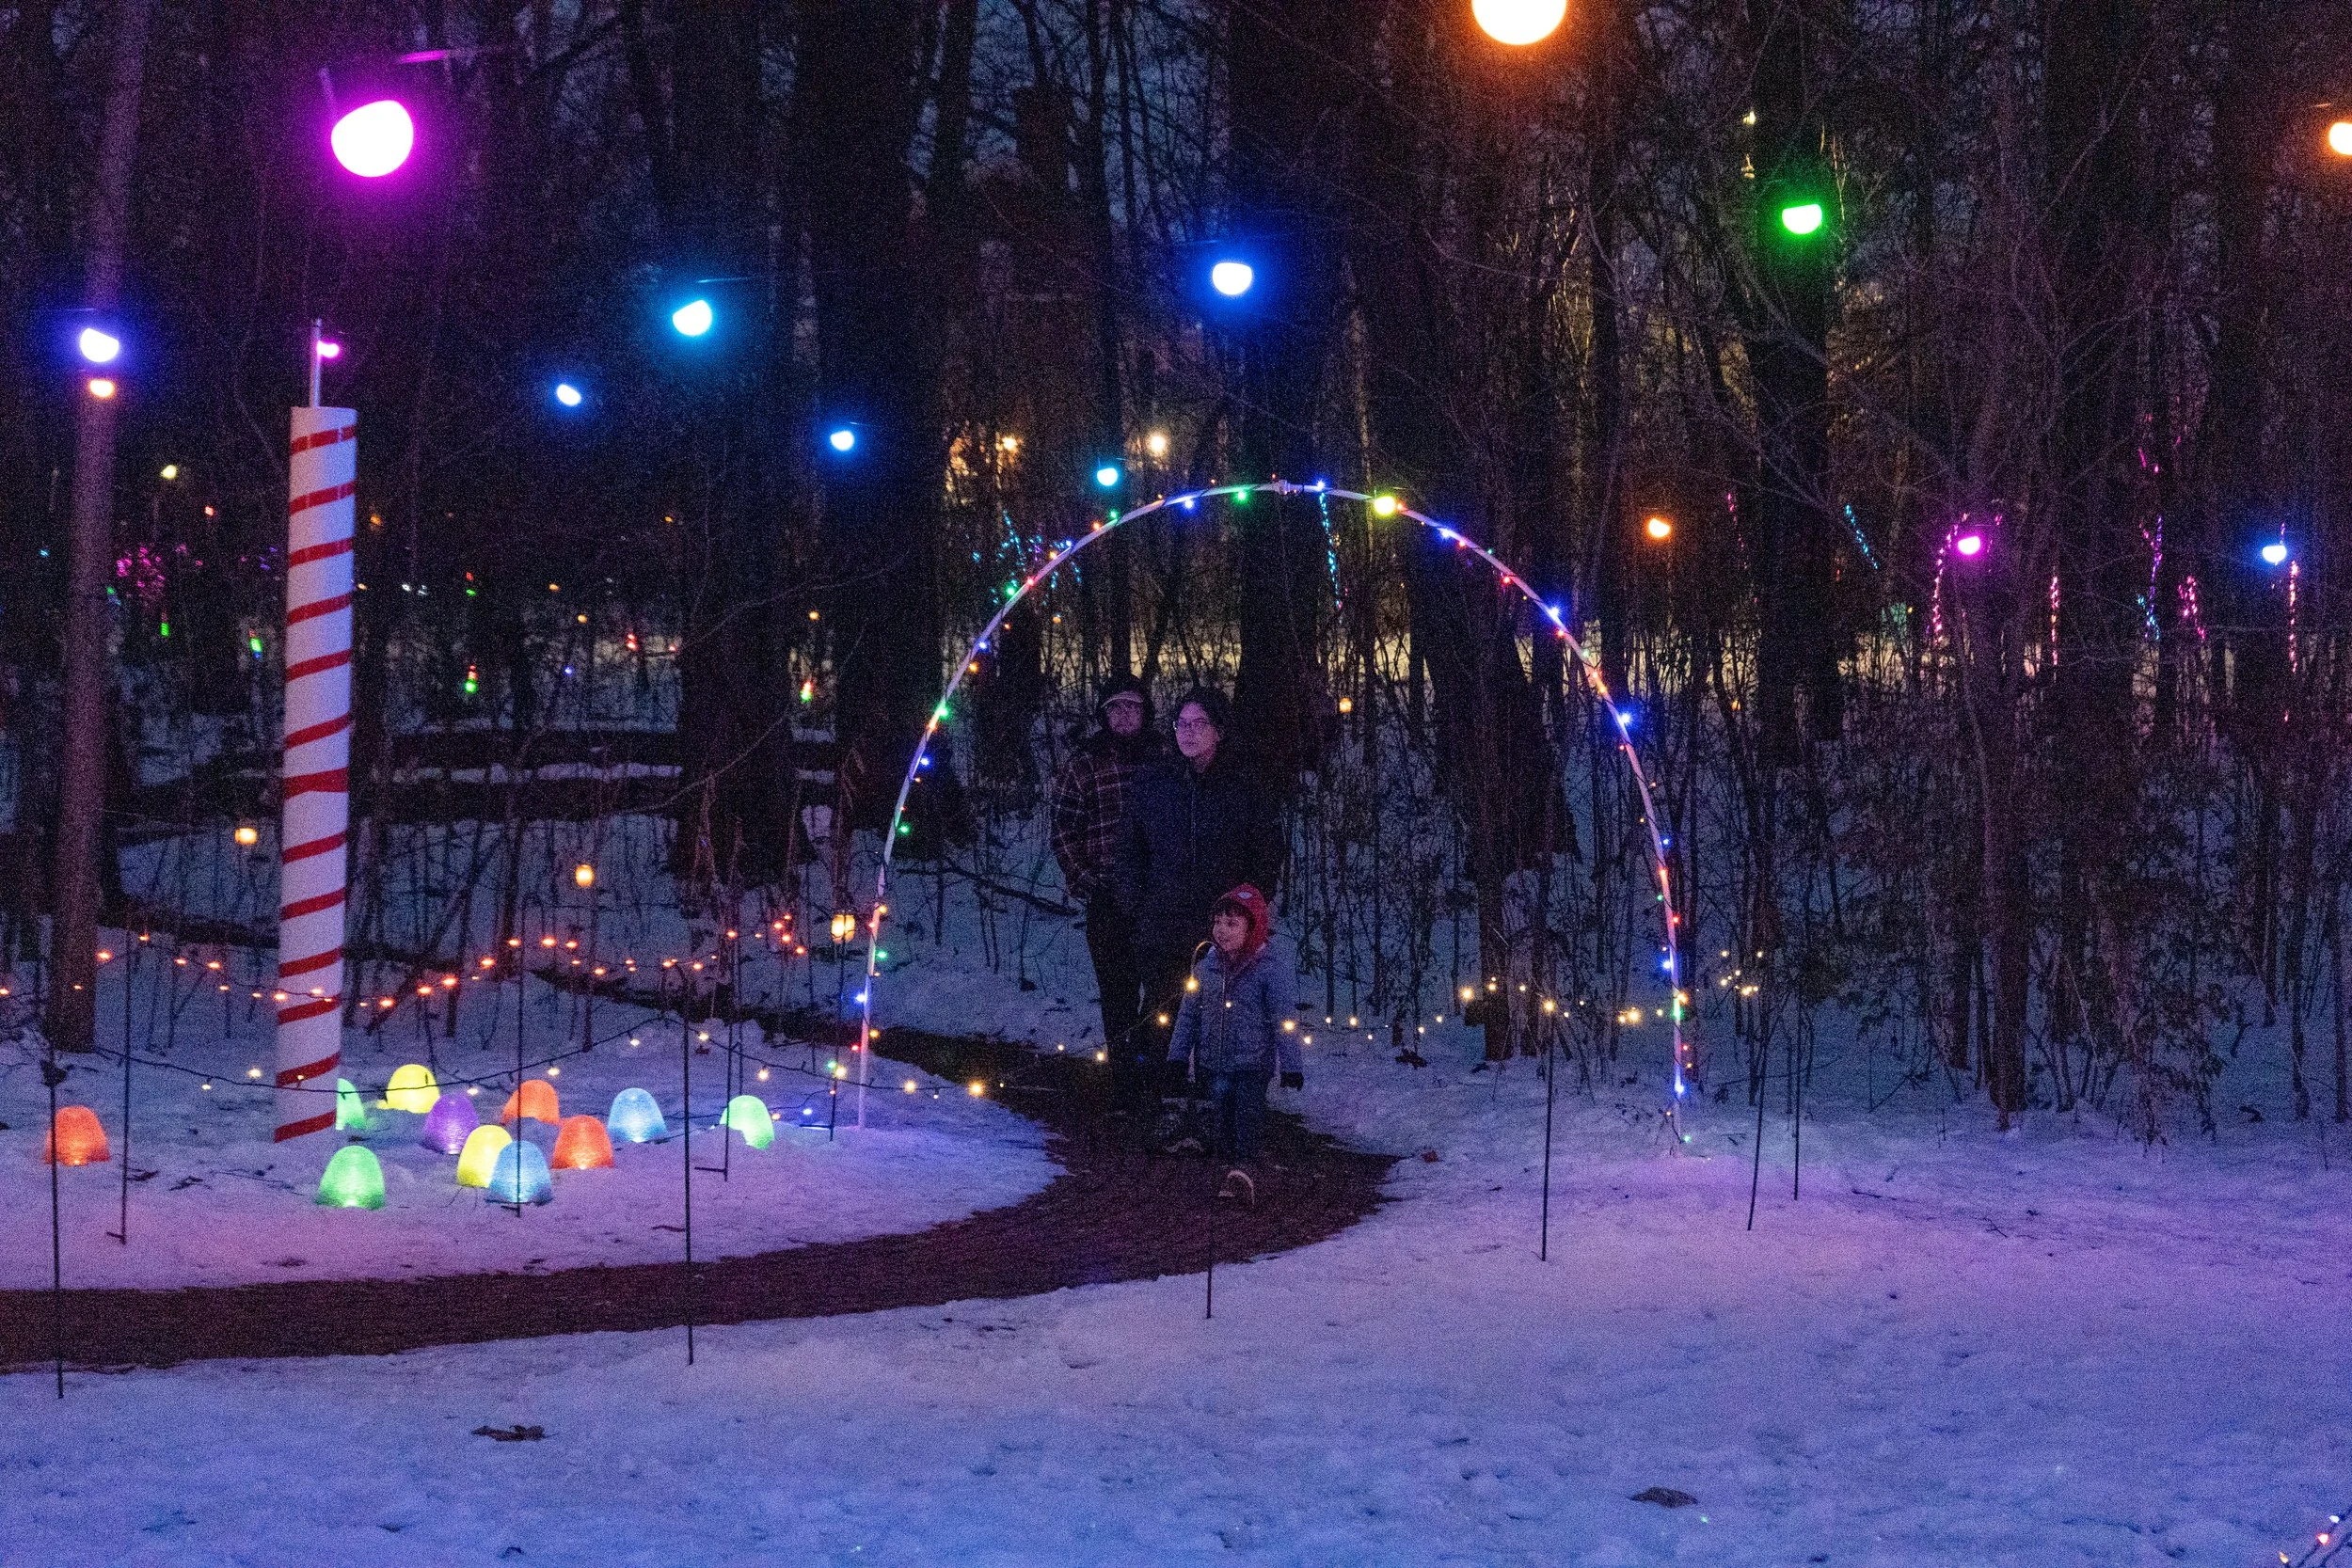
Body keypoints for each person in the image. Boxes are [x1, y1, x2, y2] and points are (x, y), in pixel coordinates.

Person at [1114, 684, 1283, 1123]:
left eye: (1198, 724)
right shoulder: (1154, 784)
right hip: (1161, 921)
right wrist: (1135, 905)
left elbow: (1265, 853)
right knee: (1163, 1014)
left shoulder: (1243, 787)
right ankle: (1158, 1105)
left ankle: (1221, 1111)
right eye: (1181, 724)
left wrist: (1246, 914)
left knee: (1223, 1018)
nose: (1187, 733)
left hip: (1224, 926)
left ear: (1219, 731)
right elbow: (1129, 850)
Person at [1050, 676, 1162, 1101]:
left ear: (1145, 712)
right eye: (1115, 707)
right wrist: (1085, 881)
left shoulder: (1163, 759)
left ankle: (1154, 1073)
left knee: (1161, 988)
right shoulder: (1086, 762)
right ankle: (1123, 1083)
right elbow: (1063, 828)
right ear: (1103, 714)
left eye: (1132, 706)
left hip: (1158, 896)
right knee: (1117, 991)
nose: (1124, 715)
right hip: (1108, 896)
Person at [1167, 883, 1302, 1204]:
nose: (1222, 931)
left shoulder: (1270, 970)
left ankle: (1245, 1169)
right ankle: (1230, 1171)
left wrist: (1291, 1066)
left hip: (1253, 1063)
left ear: (1252, 928)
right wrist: (1177, 1057)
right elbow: (1188, 1015)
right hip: (1215, 1060)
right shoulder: (1206, 967)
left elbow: (1285, 1020)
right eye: (1218, 922)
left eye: (1232, 924)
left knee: (1247, 1115)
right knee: (1222, 1117)